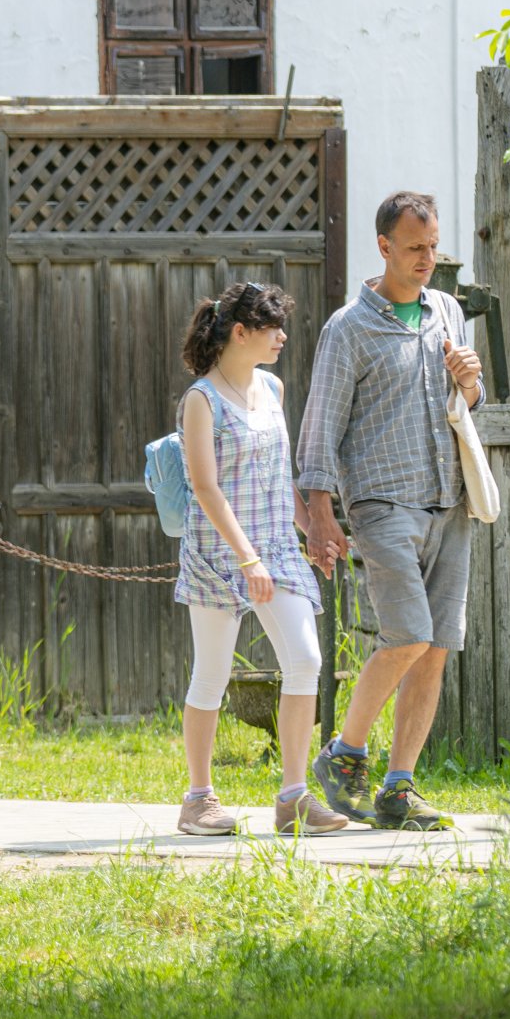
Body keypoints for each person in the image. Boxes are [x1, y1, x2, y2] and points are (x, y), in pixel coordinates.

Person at [298, 192, 484, 832]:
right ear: (383, 247)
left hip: (450, 501)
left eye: (432, 246)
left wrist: (471, 382)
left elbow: (468, 406)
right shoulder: (347, 328)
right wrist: (320, 514)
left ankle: (398, 789)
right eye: (414, 248)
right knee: (408, 635)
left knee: (435, 648)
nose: (427, 258)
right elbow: (320, 426)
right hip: (382, 503)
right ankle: (344, 754)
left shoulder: (447, 311)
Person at [172, 282, 346, 838]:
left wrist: (312, 531)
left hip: (276, 548)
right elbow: (205, 487)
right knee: (212, 674)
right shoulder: (201, 400)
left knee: (306, 660)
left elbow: (277, 474)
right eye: (273, 327)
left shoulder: (271, 387)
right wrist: (247, 560)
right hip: (220, 554)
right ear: (241, 333)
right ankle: (198, 799)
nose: (283, 337)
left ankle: (293, 798)